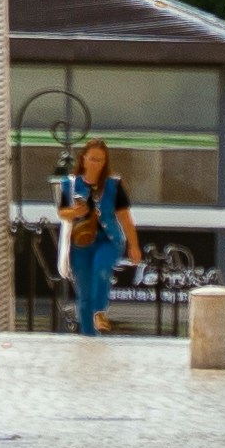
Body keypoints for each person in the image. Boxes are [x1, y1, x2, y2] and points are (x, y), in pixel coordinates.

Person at [60, 143, 132, 338]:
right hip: (80, 243)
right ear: (83, 158)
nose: (95, 164)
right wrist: (74, 212)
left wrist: (134, 246)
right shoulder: (70, 184)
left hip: (108, 240)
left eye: (100, 160)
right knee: (84, 294)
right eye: (92, 158)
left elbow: (125, 216)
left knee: (101, 267)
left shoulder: (113, 185)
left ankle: (99, 311)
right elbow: (62, 212)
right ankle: (88, 338)